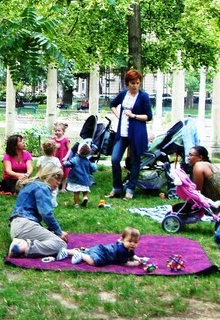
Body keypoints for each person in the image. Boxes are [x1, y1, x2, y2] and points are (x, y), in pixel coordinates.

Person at [106, 69, 153, 200]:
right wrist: (118, 115)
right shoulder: (123, 94)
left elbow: (149, 116)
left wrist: (134, 116)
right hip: (122, 133)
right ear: (127, 83)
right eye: (132, 83)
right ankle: (117, 187)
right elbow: (112, 105)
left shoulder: (144, 97)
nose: (135, 86)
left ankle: (130, 190)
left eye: (138, 83)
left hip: (137, 133)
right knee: (115, 159)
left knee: (134, 161)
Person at [7, 166, 69, 259]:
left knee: (51, 236)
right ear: (48, 176)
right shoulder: (42, 187)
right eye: (56, 178)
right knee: (60, 244)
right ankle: (23, 246)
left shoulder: (32, 184)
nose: (58, 183)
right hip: (24, 226)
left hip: (17, 226)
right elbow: (46, 213)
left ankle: (22, 243)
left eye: (60, 180)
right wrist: (59, 232)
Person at [59, 226, 150, 267]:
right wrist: (135, 263)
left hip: (101, 250)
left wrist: (138, 258)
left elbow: (132, 255)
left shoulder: (129, 248)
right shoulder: (122, 250)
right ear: (122, 240)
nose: (133, 244)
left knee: (89, 252)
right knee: (96, 262)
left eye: (135, 242)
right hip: (102, 253)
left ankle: (67, 251)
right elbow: (124, 263)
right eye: (130, 241)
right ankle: (81, 255)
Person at [187, 145, 220, 212]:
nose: (188, 158)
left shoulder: (198, 166)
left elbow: (198, 192)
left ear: (200, 157)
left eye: (190, 155)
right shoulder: (210, 165)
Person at [64, 142, 98, 208]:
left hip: (76, 179)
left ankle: (76, 204)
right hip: (85, 180)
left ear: (78, 150)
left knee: (76, 192)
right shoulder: (87, 161)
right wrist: (94, 166)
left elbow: (68, 164)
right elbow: (93, 168)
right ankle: (85, 197)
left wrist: (64, 162)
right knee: (85, 190)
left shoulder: (75, 159)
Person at [36, 140, 62, 206]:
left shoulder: (41, 158)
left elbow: (38, 167)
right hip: (53, 178)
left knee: (42, 190)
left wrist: (39, 173)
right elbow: (59, 169)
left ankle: (43, 202)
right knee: (53, 191)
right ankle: (53, 203)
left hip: (43, 177)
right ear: (54, 150)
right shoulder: (56, 159)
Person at [52, 121, 71, 191]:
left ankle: (63, 187)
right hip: (55, 159)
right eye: (55, 130)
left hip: (63, 159)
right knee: (55, 173)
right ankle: (55, 186)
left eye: (59, 130)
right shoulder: (53, 140)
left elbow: (69, 149)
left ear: (63, 132)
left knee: (64, 174)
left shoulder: (65, 140)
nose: (57, 132)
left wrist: (66, 157)